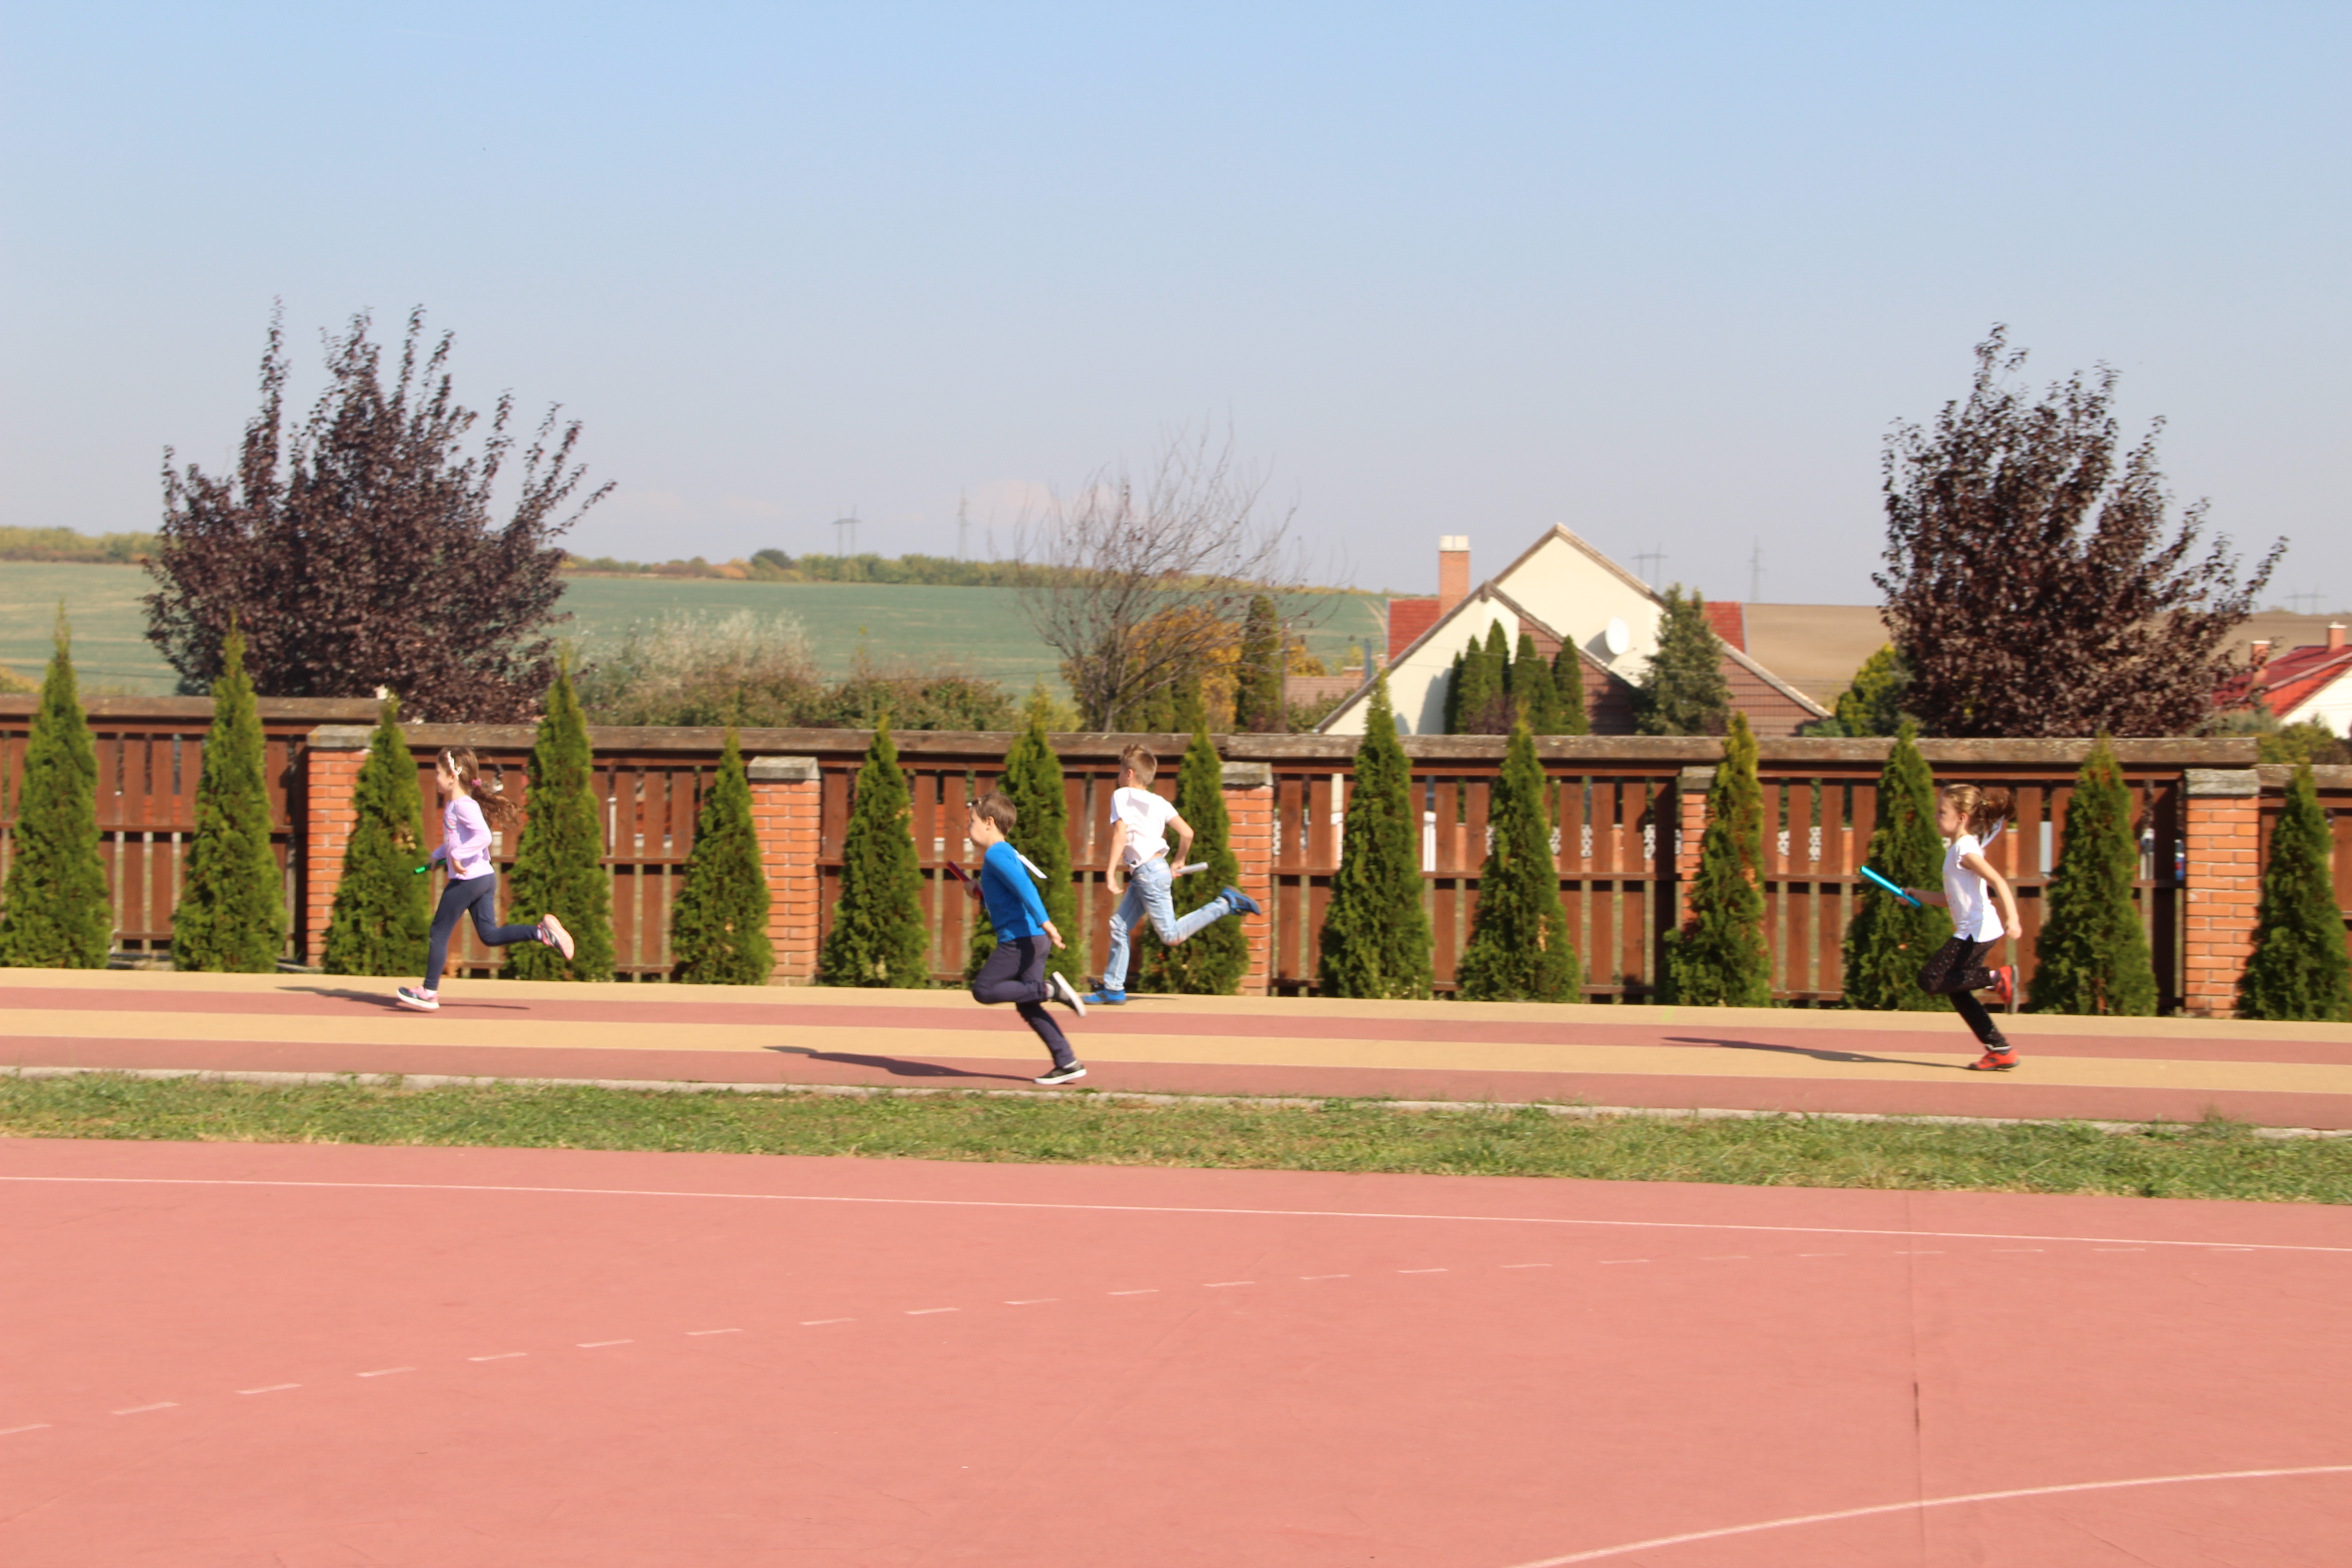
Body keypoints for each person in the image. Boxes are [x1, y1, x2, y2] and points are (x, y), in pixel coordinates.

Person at [396, 747, 574, 1011]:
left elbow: (484, 837)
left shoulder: (463, 806)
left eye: (438, 773)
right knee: (490, 935)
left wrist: (458, 854)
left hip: (468, 881)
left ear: (453, 777)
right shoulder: (457, 805)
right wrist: (438, 856)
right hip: (483, 879)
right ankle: (541, 933)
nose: (435, 779)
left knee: (439, 931)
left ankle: (429, 992)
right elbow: (457, 840)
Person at [1085, 745, 1260, 1005]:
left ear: (1129, 774)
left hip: (1148, 873)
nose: (1119, 776)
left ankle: (1225, 904)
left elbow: (1120, 834)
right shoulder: (1160, 802)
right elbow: (1188, 833)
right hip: (1152, 870)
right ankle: (1113, 988)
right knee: (1119, 925)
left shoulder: (1121, 795)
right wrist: (1179, 861)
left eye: (1121, 772)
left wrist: (1110, 872)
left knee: (1171, 935)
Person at [967, 789, 1090, 1084]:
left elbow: (1025, 887)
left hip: (1021, 940)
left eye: (972, 822)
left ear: (989, 823)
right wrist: (980, 893)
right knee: (1028, 1002)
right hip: (1032, 939)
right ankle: (1067, 1061)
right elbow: (1008, 898)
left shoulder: (996, 853)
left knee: (984, 989)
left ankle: (1050, 989)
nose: (968, 828)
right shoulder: (1003, 854)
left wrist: (1046, 922)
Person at [1905, 783, 2023, 1070]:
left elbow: (1998, 881)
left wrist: (2014, 918)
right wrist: (1917, 895)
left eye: (1941, 812)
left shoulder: (1965, 850)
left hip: (1975, 932)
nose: (1936, 816)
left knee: (1930, 979)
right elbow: (1951, 900)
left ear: (1961, 818)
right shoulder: (1958, 849)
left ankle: (1998, 977)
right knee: (1958, 991)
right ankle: (2000, 1049)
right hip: (1977, 931)